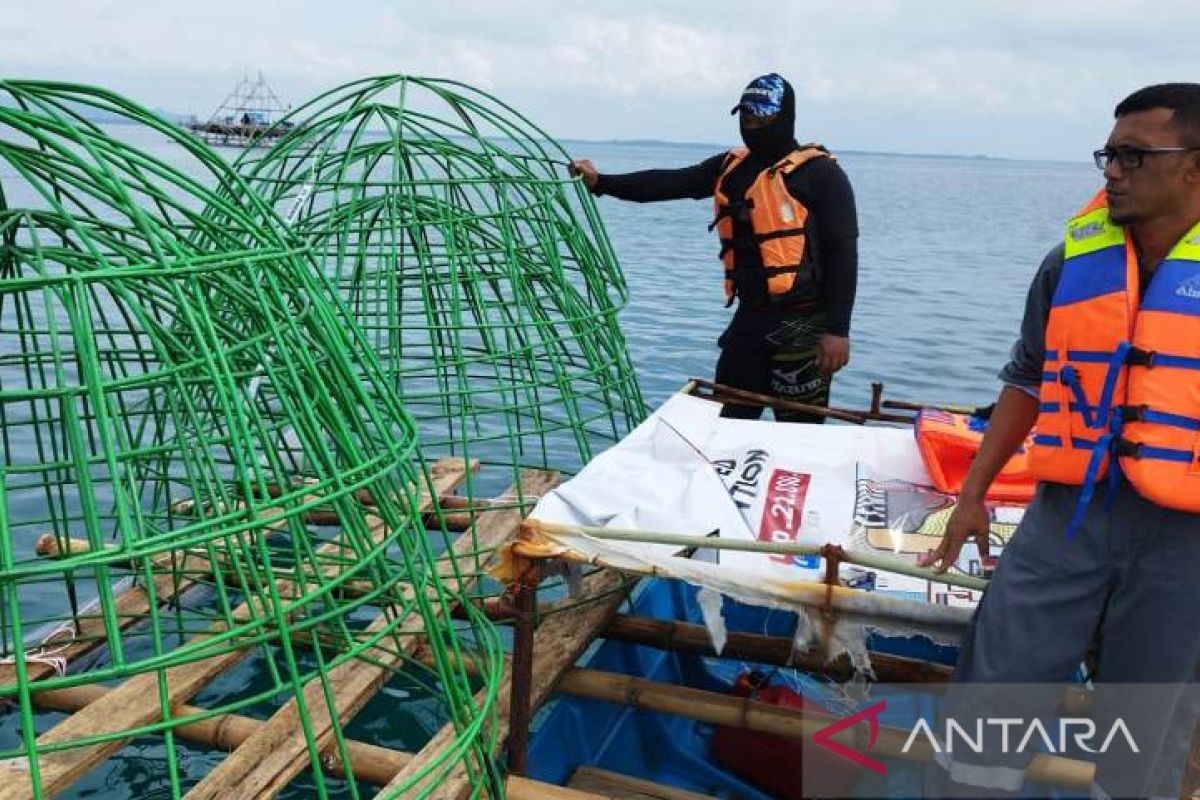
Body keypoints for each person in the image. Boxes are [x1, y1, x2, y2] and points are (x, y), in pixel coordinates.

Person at [919, 83, 1200, 798]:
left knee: (1150, 725)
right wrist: (972, 495)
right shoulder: (1070, 264)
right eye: (1108, 154)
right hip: (1067, 516)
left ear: (1194, 166)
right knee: (994, 689)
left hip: (1186, 540)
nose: (1110, 171)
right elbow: (1026, 381)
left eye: (1133, 156)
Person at [569, 73, 859, 423]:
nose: (752, 125)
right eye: (746, 117)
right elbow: (669, 183)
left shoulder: (821, 175)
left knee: (800, 430)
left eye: (762, 117)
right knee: (727, 420)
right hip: (750, 321)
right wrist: (602, 183)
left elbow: (843, 252)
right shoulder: (731, 167)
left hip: (804, 325)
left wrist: (838, 330)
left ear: (784, 117)